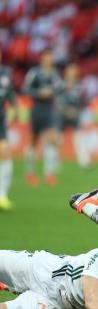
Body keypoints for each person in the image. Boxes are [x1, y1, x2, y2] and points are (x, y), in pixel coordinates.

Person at [23, 48, 63, 186]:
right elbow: (25, 89)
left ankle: (48, 174)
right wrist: (39, 93)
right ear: (42, 58)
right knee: (34, 141)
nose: (48, 60)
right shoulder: (34, 73)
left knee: (52, 139)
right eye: (46, 57)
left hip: (49, 109)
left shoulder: (54, 74)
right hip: (37, 109)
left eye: (50, 57)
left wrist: (51, 91)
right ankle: (30, 172)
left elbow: (60, 87)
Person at [57, 63, 91, 169]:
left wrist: (78, 111)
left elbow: (82, 101)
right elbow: (56, 100)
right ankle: (55, 162)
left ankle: (84, 162)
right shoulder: (61, 85)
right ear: (66, 72)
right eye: (71, 71)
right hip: (61, 115)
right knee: (58, 139)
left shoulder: (79, 85)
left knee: (79, 138)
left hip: (75, 116)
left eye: (75, 71)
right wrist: (65, 110)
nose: (73, 73)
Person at [0, 48, 17, 210]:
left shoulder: (5, 73)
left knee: (5, 152)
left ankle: (2, 195)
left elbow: (10, 93)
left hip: (1, 119)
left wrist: (15, 108)